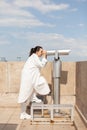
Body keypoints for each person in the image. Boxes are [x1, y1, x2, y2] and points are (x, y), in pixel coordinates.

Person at [18, 46, 50, 119]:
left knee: (35, 85)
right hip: (28, 78)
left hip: (30, 77)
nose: (42, 53)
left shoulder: (34, 57)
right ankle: (23, 114)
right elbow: (42, 65)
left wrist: (45, 56)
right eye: (41, 51)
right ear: (36, 52)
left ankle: (33, 97)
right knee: (25, 94)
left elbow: (40, 65)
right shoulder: (34, 57)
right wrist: (45, 56)